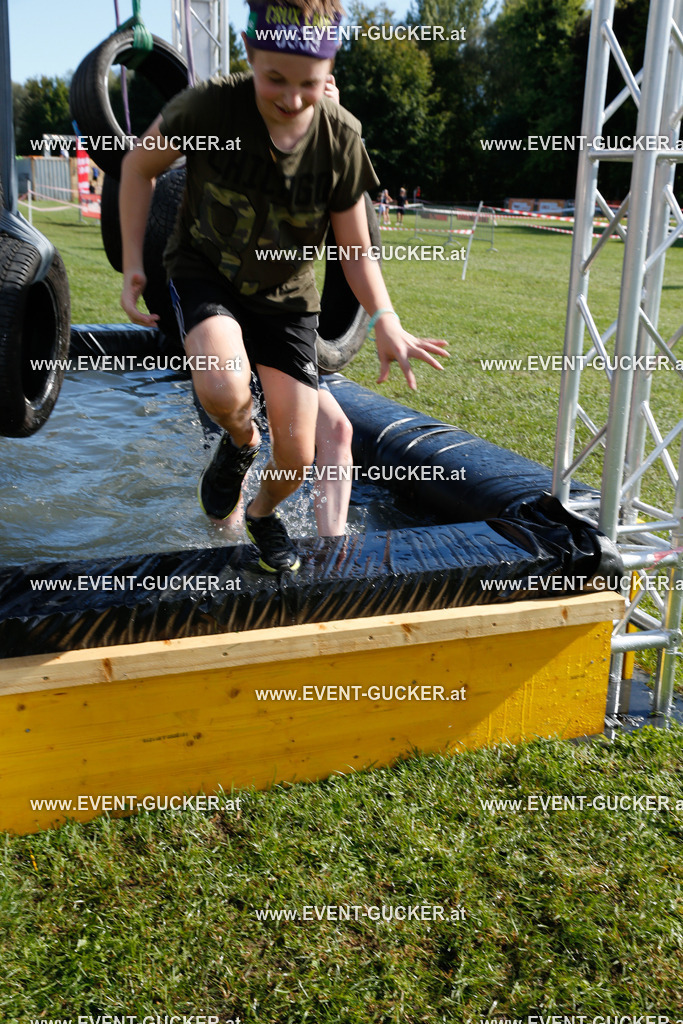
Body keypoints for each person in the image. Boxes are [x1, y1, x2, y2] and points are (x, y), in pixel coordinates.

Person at [120, 0, 447, 572]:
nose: (293, 100)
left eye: (309, 85)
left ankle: (262, 512)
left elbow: (354, 248)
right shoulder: (209, 107)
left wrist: (386, 317)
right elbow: (139, 168)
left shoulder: (340, 137)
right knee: (223, 387)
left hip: (287, 299)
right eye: (276, 79)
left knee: (296, 456)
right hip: (208, 272)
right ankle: (241, 442)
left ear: (330, 72)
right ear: (250, 55)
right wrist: (132, 264)